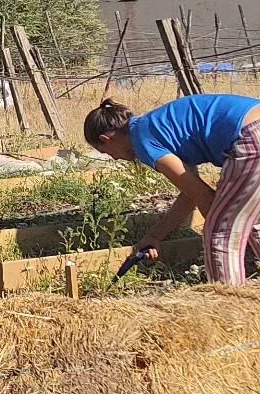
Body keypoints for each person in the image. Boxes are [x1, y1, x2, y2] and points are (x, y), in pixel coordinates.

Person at [84, 94, 260, 286]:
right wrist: (154, 236)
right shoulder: (157, 125)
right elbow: (189, 196)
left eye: (106, 153)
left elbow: (205, 198)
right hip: (254, 126)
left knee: (220, 236)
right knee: (251, 221)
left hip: (250, 136)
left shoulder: (143, 141)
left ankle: (228, 307)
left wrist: (218, 224)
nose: (115, 158)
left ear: (106, 139)